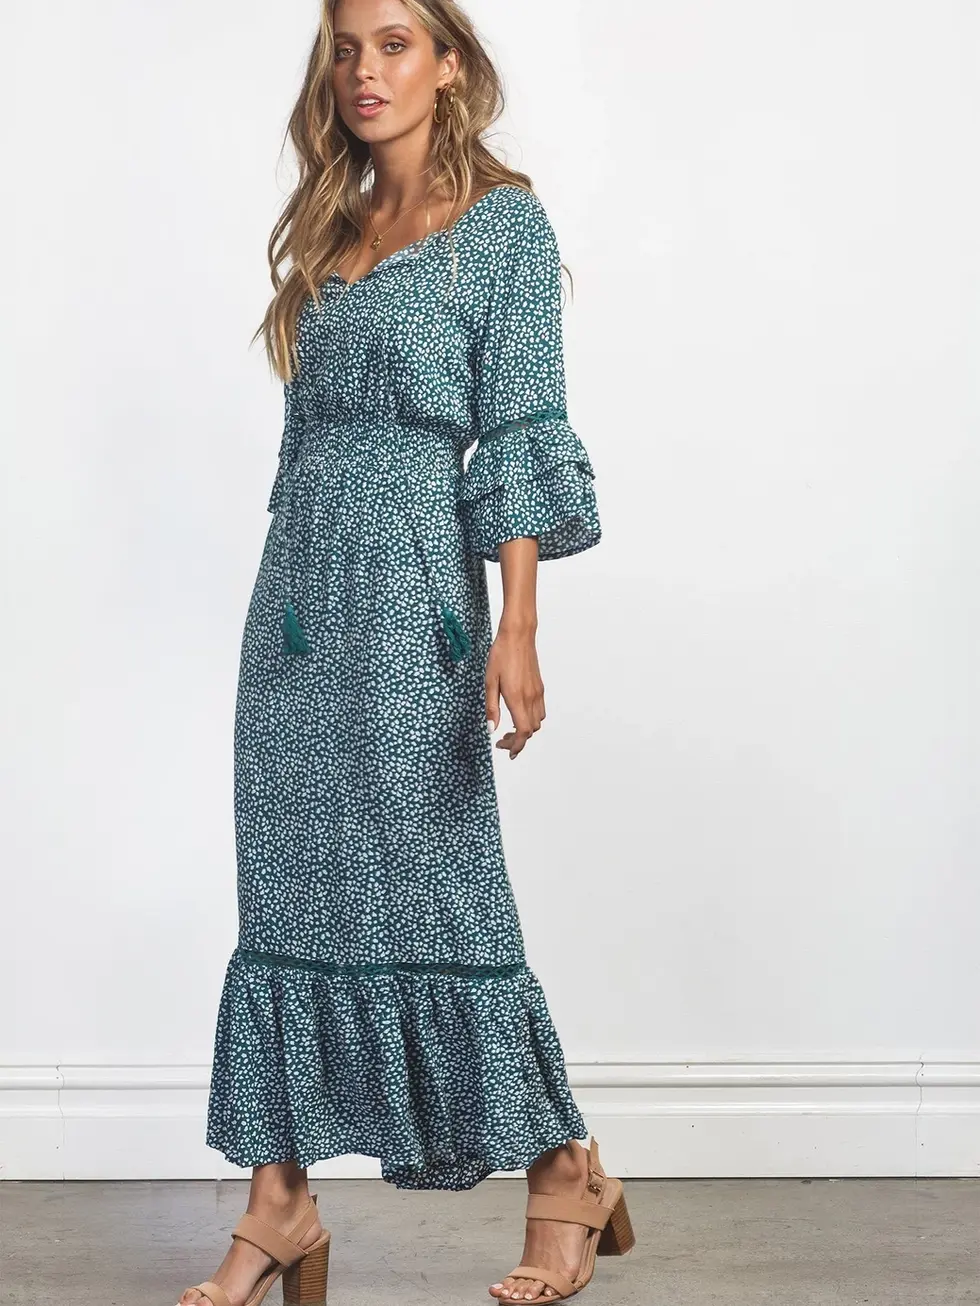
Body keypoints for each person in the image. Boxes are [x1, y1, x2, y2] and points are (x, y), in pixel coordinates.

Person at [178, 3, 634, 1305]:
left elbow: (521, 434)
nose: (364, 71)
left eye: (393, 43)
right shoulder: (327, 228)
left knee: (442, 889)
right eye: (346, 46)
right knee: (284, 890)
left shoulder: (501, 225)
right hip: (293, 612)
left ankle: (564, 1172)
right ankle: (282, 1203)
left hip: (417, 599)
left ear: (449, 63)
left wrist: (517, 622)